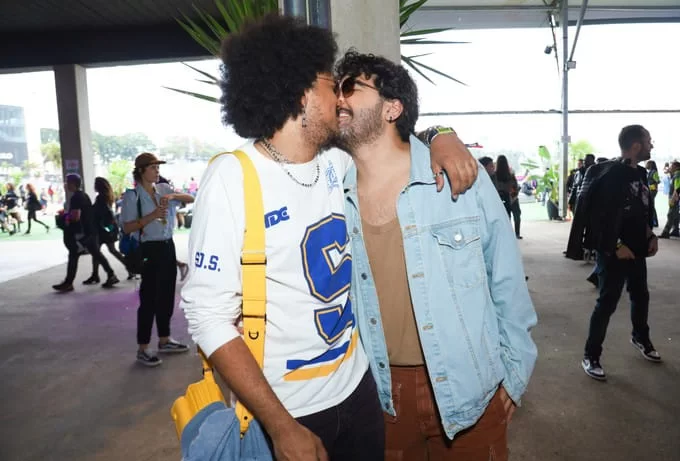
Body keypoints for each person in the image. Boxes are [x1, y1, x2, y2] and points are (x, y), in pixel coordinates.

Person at [180, 14, 478, 461]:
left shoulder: (336, 165)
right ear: (301, 94)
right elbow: (206, 315)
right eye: (328, 84)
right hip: (288, 411)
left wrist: (441, 134)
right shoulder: (233, 177)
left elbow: (393, 145)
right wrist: (281, 427)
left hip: (360, 393)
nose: (339, 98)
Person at [333, 50, 537, 461]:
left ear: (392, 108)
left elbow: (507, 280)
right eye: (337, 88)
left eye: (351, 87)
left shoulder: (458, 179)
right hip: (380, 392)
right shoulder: (330, 189)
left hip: (469, 385)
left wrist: (514, 377)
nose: (339, 98)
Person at [566, 125, 661, 381]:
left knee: (640, 295)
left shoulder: (640, 174)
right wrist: (618, 246)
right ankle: (591, 355)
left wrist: (649, 235)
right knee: (607, 302)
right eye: (648, 141)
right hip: (613, 251)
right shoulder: (611, 175)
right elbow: (599, 219)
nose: (652, 145)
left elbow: (640, 209)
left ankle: (640, 337)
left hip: (637, 249)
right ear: (636, 145)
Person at [121, 153, 195, 367]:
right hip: (148, 247)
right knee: (149, 299)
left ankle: (165, 339)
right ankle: (143, 347)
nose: (157, 171)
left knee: (166, 295)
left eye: (157, 167)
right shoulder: (132, 196)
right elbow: (127, 227)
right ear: (141, 171)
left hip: (167, 246)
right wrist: (153, 215)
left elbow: (190, 199)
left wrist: (173, 197)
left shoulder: (163, 189)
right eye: (152, 167)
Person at [53, 174, 120, 292]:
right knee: (96, 254)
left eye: (67, 182)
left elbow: (76, 216)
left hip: (82, 233)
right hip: (90, 231)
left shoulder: (76, 197)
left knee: (74, 254)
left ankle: (69, 283)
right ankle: (110, 275)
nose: (65, 185)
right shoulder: (85, 196)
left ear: (72, 184)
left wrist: (64, 216)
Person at [84, 177, 132, 284]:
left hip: (105, 229)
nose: (94, 186)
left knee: (101, 252)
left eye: (95, 184)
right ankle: (95, 275)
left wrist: (106, 228)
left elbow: (102, 213)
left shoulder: (101, 198)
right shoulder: (107, 197)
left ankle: (129, 269)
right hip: (107, 229)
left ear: (99, 186)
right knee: (99, 252)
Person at [495, 155, 522, 239]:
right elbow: (515, 187)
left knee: (506, 217)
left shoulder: (495, 176)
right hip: (513, 198)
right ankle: (517, 234)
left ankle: (507, 234)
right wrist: (513, 196)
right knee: (517, 216)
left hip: (502, 199)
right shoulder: (511, 175)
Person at [659, 161, 680, 239]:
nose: (670, 167)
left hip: (674, 197)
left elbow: (677, 188)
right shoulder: (675, 174)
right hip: (674, 197)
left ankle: (666, 232)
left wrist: (673, 198)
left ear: (677, 167)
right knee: (675, 214)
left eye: (672, 166)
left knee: (670, 214)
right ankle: (676, 231)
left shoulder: (677, 174)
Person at [646, 160, 660, 228]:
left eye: (647, 164)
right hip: (650, 189)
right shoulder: (650, 171)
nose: (646, 165)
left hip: (652, 190)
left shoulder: (654, 172)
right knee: (651, 205)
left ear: (650, 165)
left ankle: (655, 221)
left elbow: (657, 181)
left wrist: (654, 188)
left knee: (651, 205)